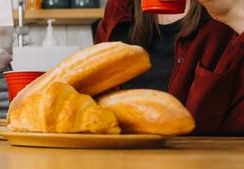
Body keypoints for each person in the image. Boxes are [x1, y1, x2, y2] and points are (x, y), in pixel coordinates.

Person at [96, 0, 243, 134]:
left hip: (210, 159)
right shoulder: (120, 7)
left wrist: (234, 13)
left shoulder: (226, 9)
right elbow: (96, 93)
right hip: (122, 156)